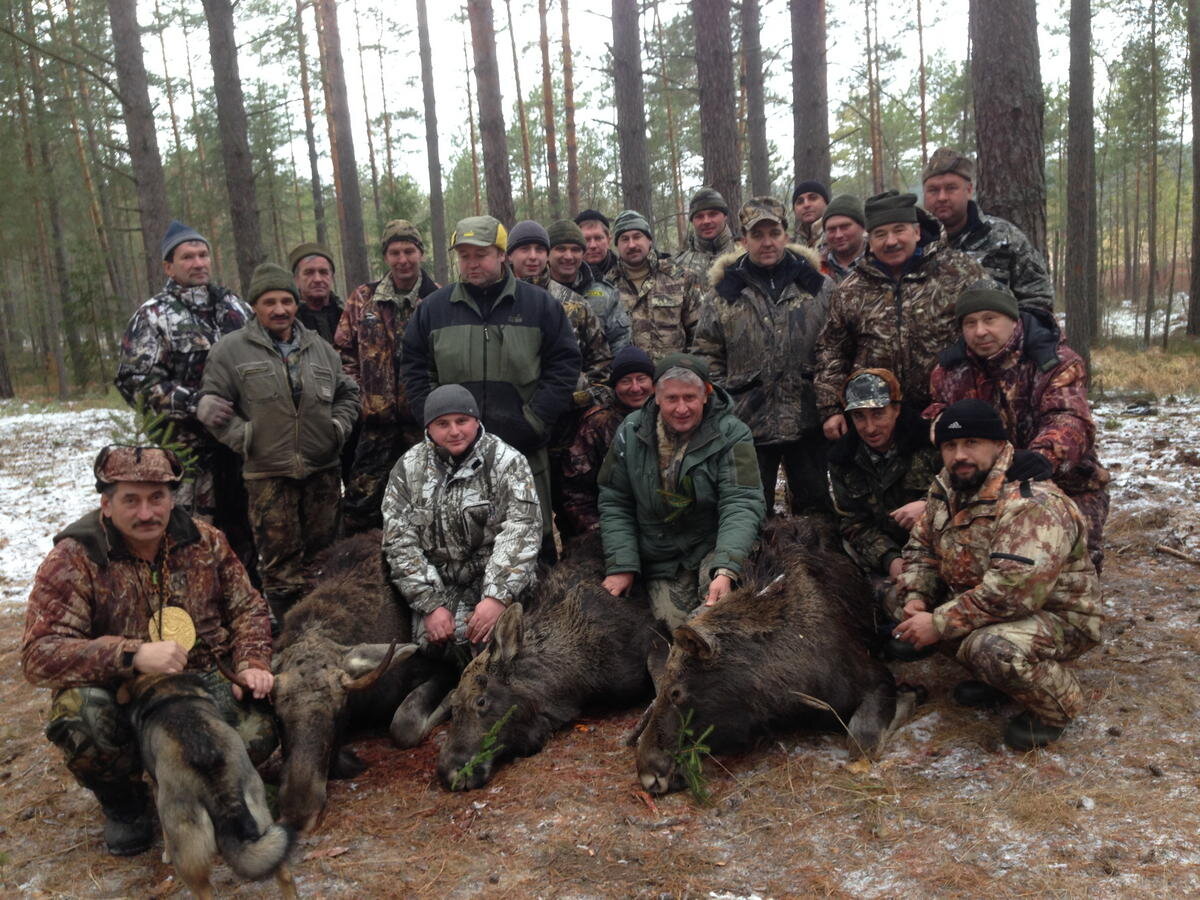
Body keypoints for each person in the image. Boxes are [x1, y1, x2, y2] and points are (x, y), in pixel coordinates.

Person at [22, 446, 275, 856]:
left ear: (171, 498)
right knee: (79, 717)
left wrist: (251, 662)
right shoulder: (75, 557)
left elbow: (248, 607)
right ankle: (126, 804)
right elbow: (39, 654)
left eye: (156, 498)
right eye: (130, 500)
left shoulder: (205, 541)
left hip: (200, 686)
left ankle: (209, 792)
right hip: (124, 697)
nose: (146, 513)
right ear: (106, 504)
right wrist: (130, 655)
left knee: (260, 730)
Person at [891, 399, 1102, 751]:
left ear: (999, 446)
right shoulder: (947, 489)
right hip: (989, 604)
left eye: (972, 443)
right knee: (899, 603)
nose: (960, 454)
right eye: (950, 445)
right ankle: (996, 680)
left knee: (993, 648)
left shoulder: (1030, 502)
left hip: (1057, 615)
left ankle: (1058, 705)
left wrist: (939, 623)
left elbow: (1014, 591)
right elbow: (920, 550)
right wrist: (917, 598)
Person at [400, 215, 580, 559]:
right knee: (456, 543)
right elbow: (414, 368)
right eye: (464, 255)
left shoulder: (539, 305)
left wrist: (535, 420)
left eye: (480, 254)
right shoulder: (434, 310)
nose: (472, 263)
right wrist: (436, 423)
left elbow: (564, 366)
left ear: (502, 255)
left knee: (530, 542)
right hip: (452, 454)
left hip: (522, 448)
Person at [200, 263, 359, 623]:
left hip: (322, 472)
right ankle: (290, 631)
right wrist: (246, 438)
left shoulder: (318, 348)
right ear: (255, 305)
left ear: (296, 303)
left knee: (325, 558)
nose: (279, 309)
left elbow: (348, 393)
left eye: (286, 300)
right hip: (267, 474)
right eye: (270, 301)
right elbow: (212, 406)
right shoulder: (231, 350)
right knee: (279, 565)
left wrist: (337, 428)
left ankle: (326, 628)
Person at [925, 286, 1110, 569]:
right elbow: (940, 408)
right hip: (982, 487)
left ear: (1013, 320)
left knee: (1063, 568)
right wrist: (941, 421)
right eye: (970, 323)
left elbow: (1070, 419)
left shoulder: (1054, 361)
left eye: (990, 319)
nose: (980, 331)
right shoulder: (950, 370)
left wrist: (1042, 457)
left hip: (1064, 483)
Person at [598, 353, 765, 630]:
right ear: (657, 397)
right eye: (672, 399)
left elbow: (742, 502)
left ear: (706, 395)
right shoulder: (630, 431)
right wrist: (621, 565)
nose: (682, 408)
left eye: (689, 397)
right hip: (661, 554)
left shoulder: (733, 434)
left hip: (713, 543)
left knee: (720, 619)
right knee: (674, 631)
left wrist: (726, 569)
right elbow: (615, 501)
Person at [693, 197, 833, 515]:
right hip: (748, 424)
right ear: (744, 241)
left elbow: (835, 346)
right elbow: (707, 353)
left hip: (807, 418)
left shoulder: (818, 286)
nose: (767, 242)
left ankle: (817, 565)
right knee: (750, 513)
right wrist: (722, 407)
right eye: (757, 235)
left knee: (816, 512)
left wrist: (828, 399)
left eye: (774, 232)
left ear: (786, 235)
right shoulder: (724, 293)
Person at [114, 220, 253, 538]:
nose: (199, 263)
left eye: (203, 254)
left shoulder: (233, 307)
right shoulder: (153, 315)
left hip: (243, 450)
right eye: (188, 257)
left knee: (247, 538)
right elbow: (135, 382)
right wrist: (194, 403)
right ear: (168, 266)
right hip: (190, 458)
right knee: (194, 541)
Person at [814, 190, 988, 441]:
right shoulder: (851, 289)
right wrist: (831, 408)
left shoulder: (959, 273)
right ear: (869, 240)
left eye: (899, 230)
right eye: (880, 234)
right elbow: (831, 350)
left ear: (916, 232)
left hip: (949, 413)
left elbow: (992, 330)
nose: (891, 241)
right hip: (877, 421)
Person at [382, 385, 541, 650]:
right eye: (442, 423)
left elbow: (523, 530)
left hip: (499, 579)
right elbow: (399, 542)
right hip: (442, 584)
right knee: (433, 647)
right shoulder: (407, 468)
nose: (454, 431)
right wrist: (430, 605)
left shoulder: (508, 462)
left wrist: (496, 598)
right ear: (428, 428)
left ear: (476, 421)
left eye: (462, 421)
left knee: (501, 646)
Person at [334, 219, 438, 534]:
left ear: (421, 253)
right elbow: (342, 352)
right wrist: (361, 396)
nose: (403, 259)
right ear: (386, 256)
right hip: (374, 424)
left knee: (425, 503)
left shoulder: (438, 299)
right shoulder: (363, 298)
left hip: (422, 424)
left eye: (409, 250)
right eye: (395, 252)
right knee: (360, 505)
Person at [827, 369, 940, 587]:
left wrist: (929, 506)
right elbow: (854, 524)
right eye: (859, 416)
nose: (869, 428)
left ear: (896, 409)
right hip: (882, 556)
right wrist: (891, 560)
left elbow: (965, 497)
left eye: (878, 413)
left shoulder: (931, 444)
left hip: (937, 545)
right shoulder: (843, 460)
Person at [922, 147, 1053, 311]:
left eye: (951, 188)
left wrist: (1011, 332)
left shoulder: (1006, 239)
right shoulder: (910, 243)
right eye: (933, 190)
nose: (942, 197)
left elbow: (1039, 300)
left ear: (969, 190)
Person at [557, 345, 655, 537]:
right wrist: (600, 531)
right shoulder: (597, 424)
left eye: (641, 379)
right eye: (626, 381)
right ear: (615, 386)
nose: (636, 388)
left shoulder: (670, 417)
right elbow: (576, 493)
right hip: (611, 527)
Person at [508, 219, 613, 390]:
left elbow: (601, 367)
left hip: (566, 407)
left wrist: (580, 397)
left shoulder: (575, 304)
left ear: (546, 254)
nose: (533, 256)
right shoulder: (494, 300)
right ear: (509, 255)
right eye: (524, 249)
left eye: (540, 249)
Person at [609, 209, 702, 357]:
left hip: (674, 375)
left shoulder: (681, 278)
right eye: (624, 239)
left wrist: (690, 371)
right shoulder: (608, 286)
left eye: (637, 237)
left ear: (649, 240)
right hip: (630, 379)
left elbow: (699, 333)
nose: (631, 245)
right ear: (617, 245)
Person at [546, 219, 630, 354]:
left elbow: (620, 341)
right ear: (547, 253)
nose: (568, 256)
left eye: (575, 250)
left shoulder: (605, 293)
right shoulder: (534, 291)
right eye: (561, 249)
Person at [674, 187, 738, 279]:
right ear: (692, 221)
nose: (706, 221)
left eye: (713, 214)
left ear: (725, 216)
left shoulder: (746, 258)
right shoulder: (678, 266)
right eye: (699, 216)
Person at [288, 241, 342, 345]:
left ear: (331, 277)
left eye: (323, 272)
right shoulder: (288, 321)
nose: (317, 279)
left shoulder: (348, 317)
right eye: (309, 273)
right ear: (296, 280)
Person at [820, 194, 867, 283]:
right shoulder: (815, 268)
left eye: (845, 227)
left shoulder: (881, 262)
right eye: (831, 229)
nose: (838, 235)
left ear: (862, 227)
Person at [576, 209, 619, 283]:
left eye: (598, 238)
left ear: (608, 241)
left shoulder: (626, 274)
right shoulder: (566, 277)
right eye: (586, 240)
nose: (593, 246)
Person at [792, 180, 829, 249]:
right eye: (800, 202)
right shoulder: (791, 245)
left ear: (826, 203)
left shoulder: (836, 236)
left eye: (813, 198)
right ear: (794, 210)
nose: (806, 205)